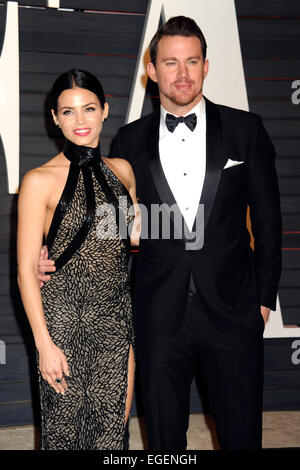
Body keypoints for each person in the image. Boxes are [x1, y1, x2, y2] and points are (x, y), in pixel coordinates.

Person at [38, 16, 282, 450]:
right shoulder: (128, 142)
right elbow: (112, 228)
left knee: (242, 435)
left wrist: (262, 303)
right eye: (171, 63)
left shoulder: (247, 129)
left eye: (192, 61)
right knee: (164, 442)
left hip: (233, 313)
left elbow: (269, 223)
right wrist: (50, 255)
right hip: (157, 317)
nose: (183, 74)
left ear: (207, 66)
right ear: (152, 70)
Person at [17, 69, 138, 450]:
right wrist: (44, 345)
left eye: (88, 109)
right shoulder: (39, 181)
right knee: (65, 439)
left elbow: (132, 237)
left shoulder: (122, 171)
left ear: (105, 110)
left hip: (115, 325)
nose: (80, 120)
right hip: (63, 328)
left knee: (112, 439)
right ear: (54, 117)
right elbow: (24, 271)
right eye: (68, 112)